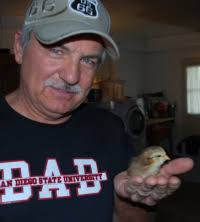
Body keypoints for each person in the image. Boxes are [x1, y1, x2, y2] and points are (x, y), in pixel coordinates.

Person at [0, 0, 193, 221]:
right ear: (19, 47)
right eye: (56, 50)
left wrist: (128, 200)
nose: (72, 76)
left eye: (88, 60)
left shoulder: (109, 128)